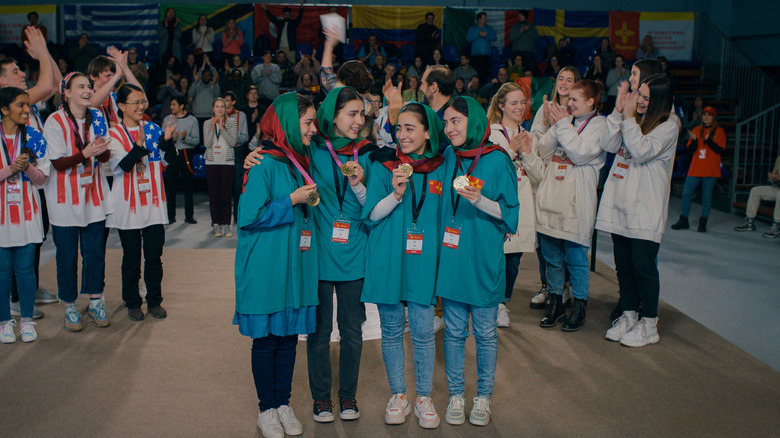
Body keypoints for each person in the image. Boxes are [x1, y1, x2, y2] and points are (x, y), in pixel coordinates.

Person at [235, 92, 317, 438]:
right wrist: (292, 200)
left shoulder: (299, 159)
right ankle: (266, 408)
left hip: (295, 265)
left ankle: (283, 402)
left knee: (287, 338)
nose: (313, 128)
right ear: (287, 123)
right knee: (267, 340)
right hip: (266, 266)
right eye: (308, 122)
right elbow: (248, 217)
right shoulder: (265, 163)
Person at [361, 102, 445, 428]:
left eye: (411, 128)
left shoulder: (442, 165)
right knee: (393, 331)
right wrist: (395, 195)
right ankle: (398, 394)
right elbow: (370, 215)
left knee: (424, 331)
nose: (403, 134)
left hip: (423, 260)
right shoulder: (384, 164)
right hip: (389, 259)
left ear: (427, 132)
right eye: (399, 128)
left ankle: (424, 397)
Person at [437, 96, 519, 427]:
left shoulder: (498, 160)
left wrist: (480, 199)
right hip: (453, 258)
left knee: (485, 333)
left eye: (456, 120)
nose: (449, 128)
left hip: (483, 258)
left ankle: (483, 397)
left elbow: (510, 213)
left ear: (472, 122)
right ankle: (457, 393)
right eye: (446, 122)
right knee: (454, 332)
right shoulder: (448, 156)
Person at [598, 73, 680, 347]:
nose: (641, 101)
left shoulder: (669, 124)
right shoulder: (634, 117)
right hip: (620, 204)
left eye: (646, 97)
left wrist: (630, 118)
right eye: (639, 95)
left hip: (646, 208)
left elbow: (642, 150)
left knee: (644, 267)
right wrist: (618, 111)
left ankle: (649, 323)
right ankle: (629, 315)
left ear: (660, 100)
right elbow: (610, 145)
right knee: (624, 266)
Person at [532, 79, 606, 332]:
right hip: (552, 196)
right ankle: (555, 302)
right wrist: (558, 126)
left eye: (575, 99)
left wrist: (563, 125)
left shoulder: (600, 125)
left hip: (576, 202)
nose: (569, 103)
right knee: (551, 255)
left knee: (575, 258)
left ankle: (579, 306)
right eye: (569, 99)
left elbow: (580, 153)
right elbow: (542, 150)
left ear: (591, 102)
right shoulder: (567, 122)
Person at [43, 72, 112, 332]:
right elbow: (58, 163)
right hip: (64, 201)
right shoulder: (54, 121)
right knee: (67, 255)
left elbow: (104, 158)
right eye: (80, 86)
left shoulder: (98, 117)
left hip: (93, 197)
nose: (87, 90)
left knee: (95, 253)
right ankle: (70, 306)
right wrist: (85, 152)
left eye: (89, 87)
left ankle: (96, 302)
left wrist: (102, 149)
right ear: (67, 93)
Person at [107, 84, 173, 321]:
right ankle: (133, 302)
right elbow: (123, 166)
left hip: (154, 204)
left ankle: (154, 301)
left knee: (154, 256)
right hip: (127, 206)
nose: (140, 106)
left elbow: (170, 160)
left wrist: (166, 142)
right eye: (134, 102)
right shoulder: (113, 134)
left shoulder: (154, 128)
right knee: (132, 257)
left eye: (142, 101)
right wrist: (138, 145)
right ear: (122, 106)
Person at [527, 66, 581, 310]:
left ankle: (566, 287)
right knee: (543, 237)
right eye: (561, 78)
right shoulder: (544, 107)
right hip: (543, 176)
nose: (564, 83)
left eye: (570, 80)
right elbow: (535, 143)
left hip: (565, 178)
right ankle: (547, 285)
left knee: (564, 235)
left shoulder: (578, 110)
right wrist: (547, 124)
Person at [486, 83, 539, 327]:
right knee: (495, 252)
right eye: (514, 103)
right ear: (501, 105)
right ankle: (491, 301)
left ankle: (502, 303)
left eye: (522, 102)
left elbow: (539, 175)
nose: (519, 107)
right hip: (497, 201)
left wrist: (526, 152)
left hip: (522, 200)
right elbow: (489, 170)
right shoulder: (491, 133)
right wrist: (510, 149)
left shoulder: (530, 136)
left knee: (514, 257)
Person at [0, 87, 48, 343]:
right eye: (20, 105)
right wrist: (9, 169)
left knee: (26, 271)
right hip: (1, 218)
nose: (27, 110)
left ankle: (27, 322)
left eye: (27, 105)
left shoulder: (34, 136)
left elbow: (42, 180)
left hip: (28, 215)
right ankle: (4, 322)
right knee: (2, 272)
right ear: (4, 109)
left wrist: (27, 167)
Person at [671, 106, 725, 232]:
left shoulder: (719, 131)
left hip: (710, 169)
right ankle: (683, 220)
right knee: (686, 194)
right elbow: (689, 151)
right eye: (704, 114)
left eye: (709, 115)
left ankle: (703, 222)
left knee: (706, 197)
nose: (706, 117)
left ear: (714, 117)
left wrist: (709, 141)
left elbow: (720, 150)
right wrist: (694, 140)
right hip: (696, 168)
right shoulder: (696, 129)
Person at [162, 95, 199, 224]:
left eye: (174, 104)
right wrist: (171, 139)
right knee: (170, 187)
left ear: (181, 106)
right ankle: (170, 216)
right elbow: (162, 141)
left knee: (188, 187)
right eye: (171, 105)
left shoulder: (192, 120)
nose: (171, 107)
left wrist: (184, 138)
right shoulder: (167, 119)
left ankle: (189, 216)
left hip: (186, 154)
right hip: (172, 153)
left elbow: (196, 141)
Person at [203, 97, 237, 237]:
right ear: (213, 108)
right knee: (214, 195)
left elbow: (232, 142)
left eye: (222, 106)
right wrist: (212, 127)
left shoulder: (232, 122)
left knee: (226, 195)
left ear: (225, 108)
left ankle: (227, 225)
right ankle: (216, 224)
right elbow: (207, 144)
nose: (220, 109)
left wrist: (222, 128)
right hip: (211, 162)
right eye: (217, 106)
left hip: (227, 162)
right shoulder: (206, 123)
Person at [734, 155, 780, 238]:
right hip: (778, 187)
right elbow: (775, 177)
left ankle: (777, 225)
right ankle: (749, 221)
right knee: (755, 190)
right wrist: (773, 179)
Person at [224, 91, 249, 224]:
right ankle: (223, 217)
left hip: (236, 150)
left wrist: (232, 138)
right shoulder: (218, 116)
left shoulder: (241, 115)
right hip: (222, 152)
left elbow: (245, 136)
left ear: (233, 101)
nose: (225, 103)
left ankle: (237, 216)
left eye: (227, 100)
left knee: (237, 185)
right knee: (224, 184)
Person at [189, 62, 221, 136]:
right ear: (201, 76)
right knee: (198, 138)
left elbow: (218, 96)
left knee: (209, 139)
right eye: (204, 75)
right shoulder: (197, 85)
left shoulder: (214, 86)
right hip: (197, 117)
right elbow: (191, 93)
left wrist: (215, 84)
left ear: (210, 76)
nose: (206, 77)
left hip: (210, 117)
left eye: (208, 75)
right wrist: (195, 81)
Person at [466, 13, 496, 84]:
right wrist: (478, 35)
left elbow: (494, 38)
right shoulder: (473, 29)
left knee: (485, 75)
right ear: (479, 19)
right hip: (476, 57)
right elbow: (468, 38)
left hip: (486, 57)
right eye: (484, 18)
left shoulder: (489, 29)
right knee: (476, 74)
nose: (486, 20)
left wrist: (486, 36)